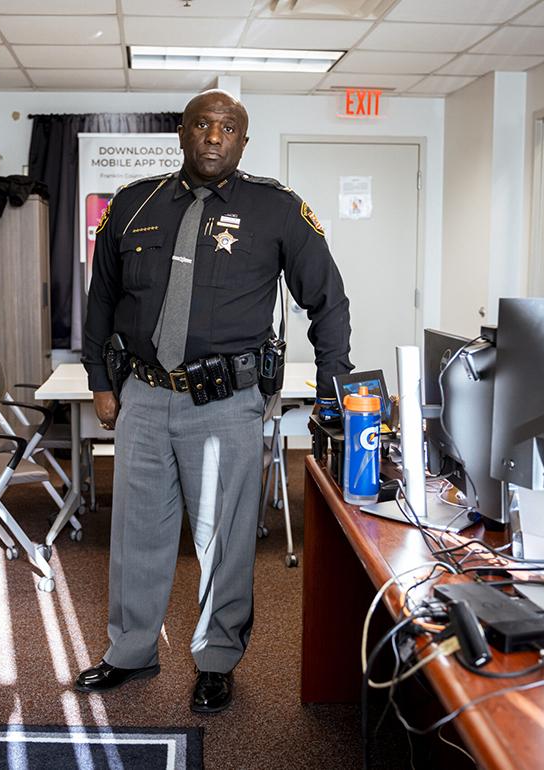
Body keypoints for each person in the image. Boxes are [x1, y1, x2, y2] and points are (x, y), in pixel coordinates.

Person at [76, 89, 352, 713]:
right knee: (135, 533)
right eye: (202, 124)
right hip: (144, 394)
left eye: (228, 128)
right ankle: (130, 651)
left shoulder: (277, 210)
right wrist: (100, 377)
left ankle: (217, 659)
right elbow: (102, 300)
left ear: (242, 142)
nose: (213, 136)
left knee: (223, 538)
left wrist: (334, 386)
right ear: (182, 133)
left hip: (228, 401)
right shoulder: (132, 204)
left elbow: (326, 300)